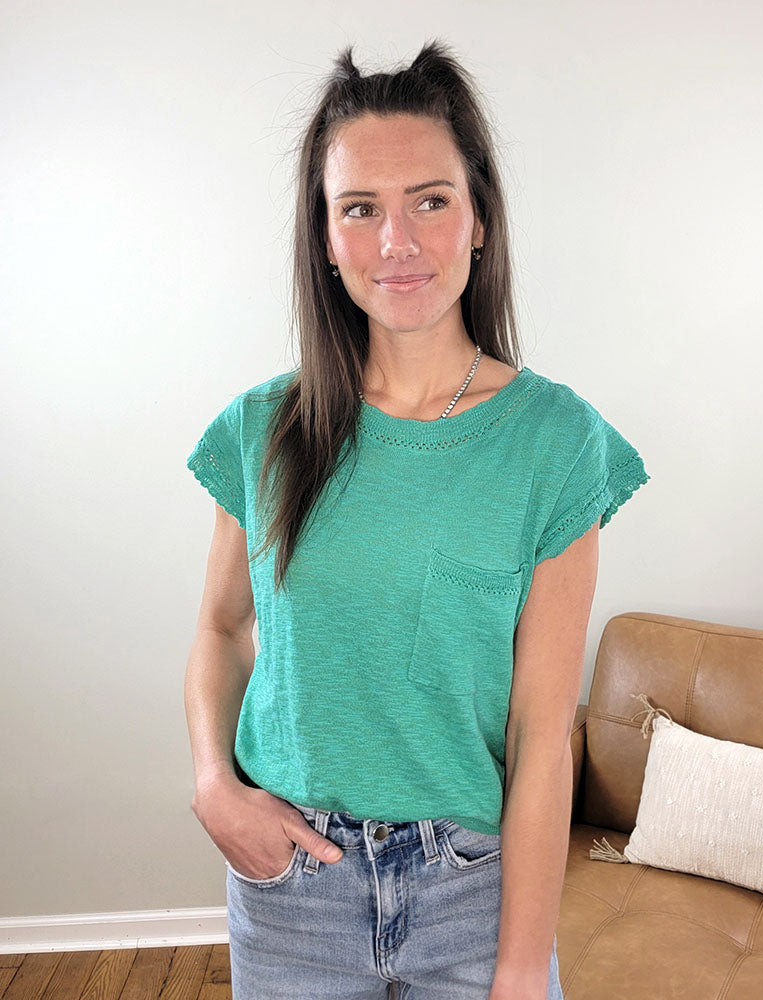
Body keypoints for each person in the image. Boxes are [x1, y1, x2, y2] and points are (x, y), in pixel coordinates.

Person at [184, 38, 650, 1000]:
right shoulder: (263, 428)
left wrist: (522, 968)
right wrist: (212, 783)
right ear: (326, 235)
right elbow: (224, 627)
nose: (397, 242)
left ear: (479, 220)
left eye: (431, 200)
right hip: (292, 887)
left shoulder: (557, 444)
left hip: (472, 893)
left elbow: (538, 735)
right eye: (361, 208)